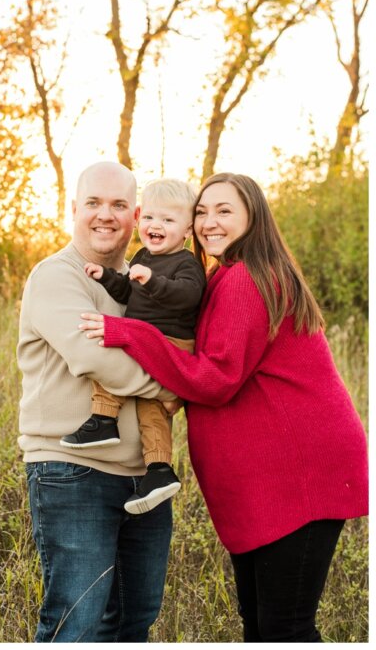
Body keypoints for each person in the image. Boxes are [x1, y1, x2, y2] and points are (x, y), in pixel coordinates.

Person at [80, 172, 367, 642]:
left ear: (253, 216)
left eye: (225, 211)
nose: (210, 222)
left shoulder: (246, 281)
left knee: (283, 628)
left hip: (297, 473)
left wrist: (130, 334)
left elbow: (213, 381)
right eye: (202, 211)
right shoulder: (223, 276)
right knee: (262, 624)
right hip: (269, 477)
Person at [17, 161, 178, 642]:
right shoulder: (55, 276)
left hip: (144, 479)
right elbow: (97, 360)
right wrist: (174, 386)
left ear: (136, 215)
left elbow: (183, 338)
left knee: (134, 622)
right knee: (78, 623)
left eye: (117, 205)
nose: (104, 215)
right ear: (73, 210)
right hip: (72, 472)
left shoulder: (146, 281)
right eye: (93, 203)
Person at [61, 178, 206, 515]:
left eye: (168, 221)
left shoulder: (186, 264)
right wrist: (106, 277)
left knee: (114, 352)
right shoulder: (142, 256)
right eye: (151, 218)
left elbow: (189, 295)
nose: (156, 226)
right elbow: (128, 293)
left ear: (187, 230)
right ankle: (158, 469)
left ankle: (104, 420)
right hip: (148, 338)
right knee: (149, 407)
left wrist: (153, 281)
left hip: (169, 341)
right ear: (141, 220)